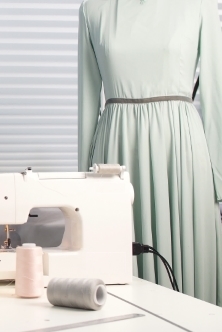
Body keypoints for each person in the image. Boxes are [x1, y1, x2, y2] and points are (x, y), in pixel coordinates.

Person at [78, 0, 222, 305]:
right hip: (116, 152)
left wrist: (219, 182)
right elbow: (87, 103)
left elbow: (215, 98)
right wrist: (80, 188)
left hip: (180, 152)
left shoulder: (200, 5)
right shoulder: (92, 10)